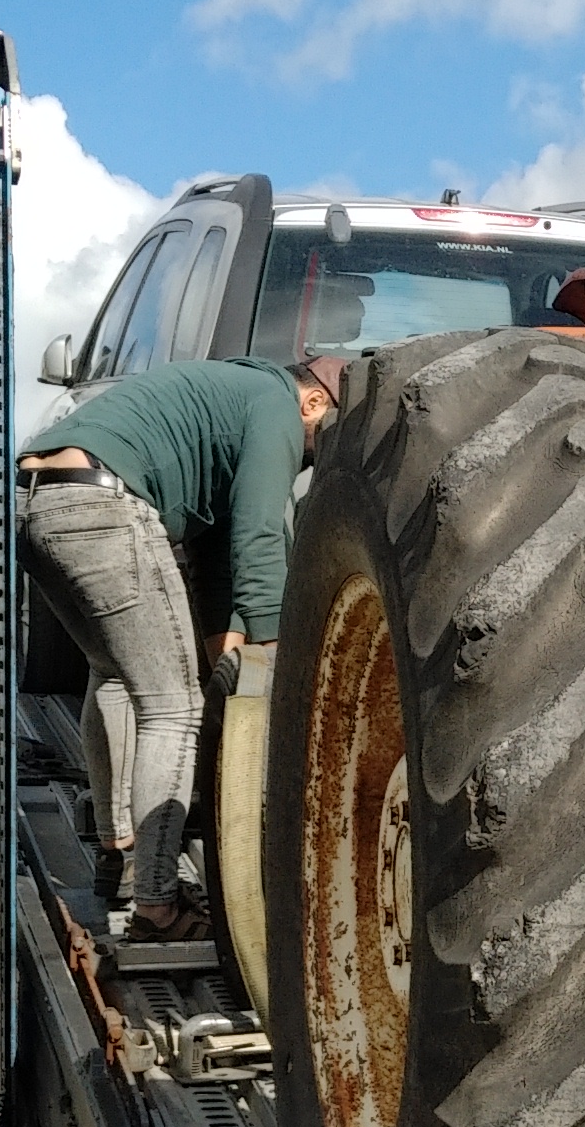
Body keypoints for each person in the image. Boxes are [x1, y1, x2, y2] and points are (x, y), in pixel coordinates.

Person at [18, 351, 344, 933]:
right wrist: (274, 649)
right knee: (173, 706)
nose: (322, 452)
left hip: (35, 497)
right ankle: (158, 905)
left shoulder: (230, 399)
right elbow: (260, 529)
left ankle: (119, 852)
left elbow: (216, 557)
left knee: (113, 671)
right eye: (330, 432)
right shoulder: (275, 404)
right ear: (315, 400)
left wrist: (229, 654)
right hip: (104, 502)